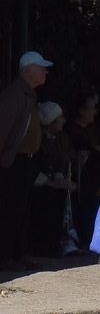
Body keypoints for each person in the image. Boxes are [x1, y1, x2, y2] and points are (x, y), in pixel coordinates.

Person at [0, 51, 52, 272]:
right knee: (10, 209)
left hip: (25, 161)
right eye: (41, 68)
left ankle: (18, 252)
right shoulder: (14, 94)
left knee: (22, 209)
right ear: (28, 70)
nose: (46, 72)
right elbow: (3, 129)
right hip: (12, 162)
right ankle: (5, 256)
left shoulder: (28, 94)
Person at [30, 102, 79, 257]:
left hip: (53, 184)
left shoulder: (60, 139)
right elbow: (35, 167)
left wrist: (63, 180)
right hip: (38, 187)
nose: (64, 121)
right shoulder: (37, 141)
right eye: (60, 118)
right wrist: (51, 182)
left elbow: (60, 161)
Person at [66, 93, 100, 248]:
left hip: (96, 181)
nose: (95, 112)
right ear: (81, 111)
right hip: (80, 181)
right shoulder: (72, 132)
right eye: (91, 108)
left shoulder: (94, 130)